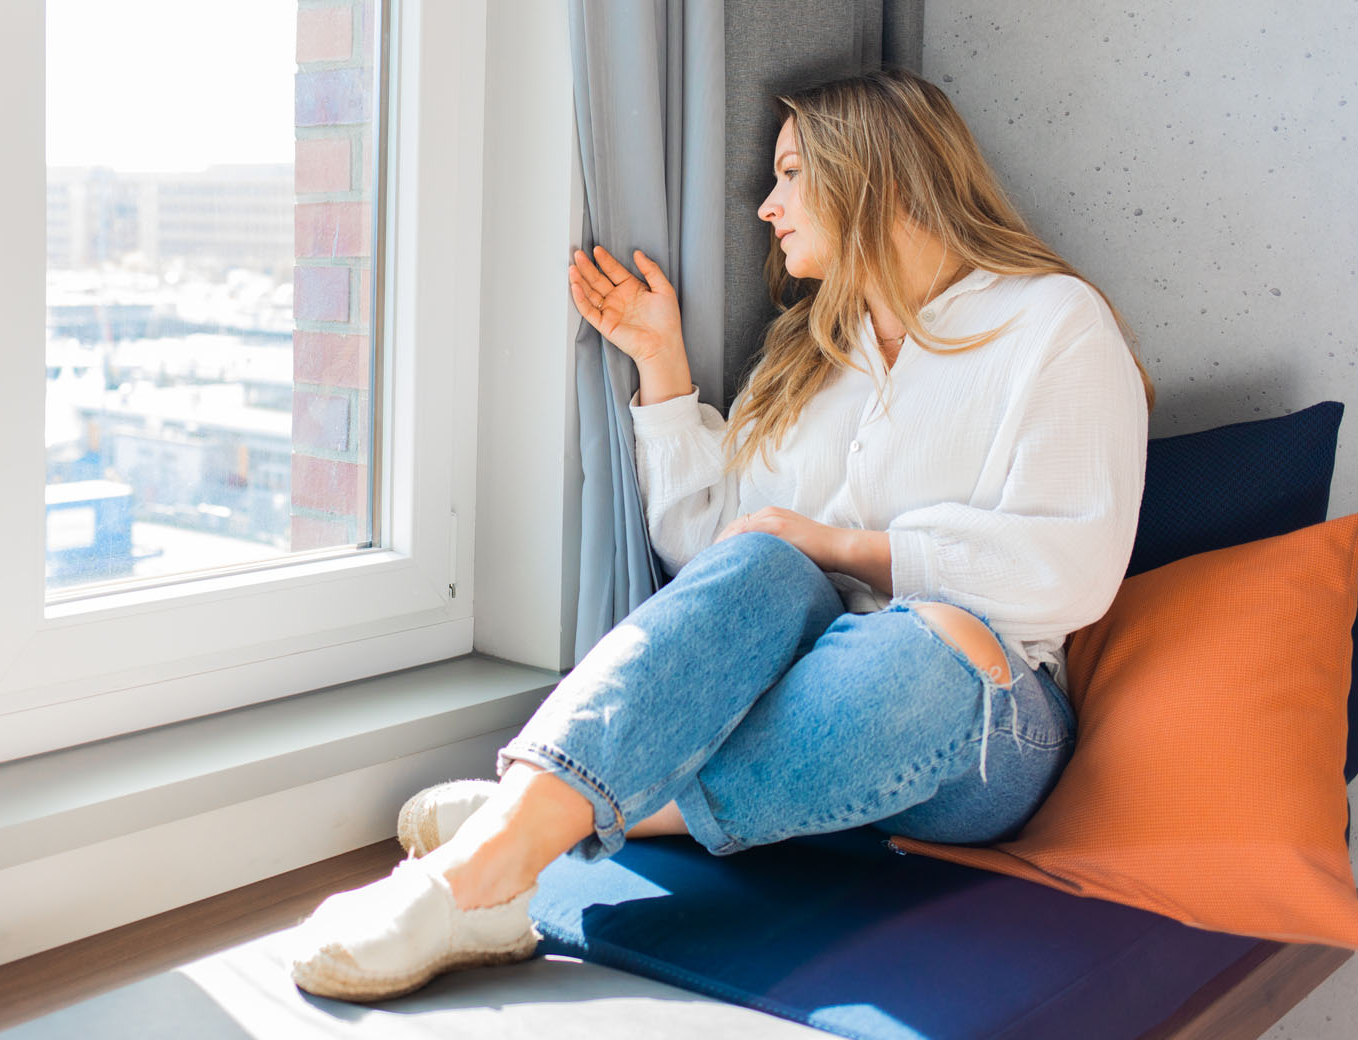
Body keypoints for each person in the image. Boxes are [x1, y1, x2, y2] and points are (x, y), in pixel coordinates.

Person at [286, 68, 1155, 1003]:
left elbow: (1072, 566)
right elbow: (719, 558)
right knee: (767, 564)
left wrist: (841, 547)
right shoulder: (811, 352)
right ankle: (505, 858)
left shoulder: (1052, 322)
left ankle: (524, 833)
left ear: (879, 176)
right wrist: (660, 358)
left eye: (790, 174)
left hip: (985, 725)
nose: (767, 208)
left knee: (924, 639)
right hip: (800, 688)